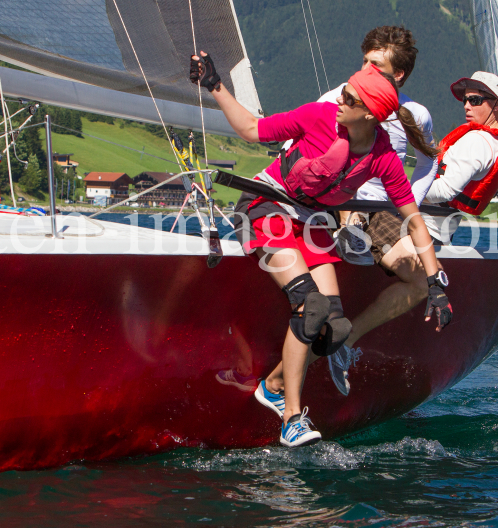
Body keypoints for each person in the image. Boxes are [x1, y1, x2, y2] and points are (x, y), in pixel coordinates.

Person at [189, 50, 450, 448]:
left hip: (310, 222)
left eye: (349, 99)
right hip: (265, 205)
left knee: (335, 326)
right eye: (344, 93)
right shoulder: (317, 116)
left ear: (369, 115)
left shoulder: (382, 157)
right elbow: (251, 129)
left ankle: (274, 384)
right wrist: (215, 85)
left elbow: (413, 219)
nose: (339, 100)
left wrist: (435, 283)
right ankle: (292, 417)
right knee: (309, 306)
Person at [314, 26, 445, 396]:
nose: (365, 68)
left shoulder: (414, 114)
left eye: (375, 63)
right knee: (346, 200)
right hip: (333, 196)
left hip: (378, 208)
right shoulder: (339, 97)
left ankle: (345, 342)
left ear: (398, 74)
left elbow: (428, 164)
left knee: (421, 280)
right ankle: (347, 233)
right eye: (364, 60)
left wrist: (407, 204)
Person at [424, 70, 498, 217]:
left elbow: (445, 191)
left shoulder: (477, 140)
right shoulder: (495, 142)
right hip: (437, 227)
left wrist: (398, 191)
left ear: (497, 105)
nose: (466, 106)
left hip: (421, 225)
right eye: (465, 100)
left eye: (475, 100)